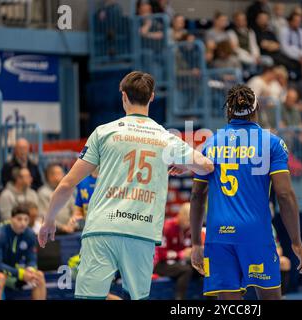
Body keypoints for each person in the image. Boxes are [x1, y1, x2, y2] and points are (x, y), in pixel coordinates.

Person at [37, 71, 214, 300]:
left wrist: (49, 220)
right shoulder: (166, 138)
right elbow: (207, 166)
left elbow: (67, 184)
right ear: (151, 97)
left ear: (123, 96)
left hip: (102, 228)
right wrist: (186, 165)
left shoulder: (104, 132)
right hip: (141, 232)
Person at [189, 84, 302, 300]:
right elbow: (285, 195)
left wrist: (197, 243)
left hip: (218, 235)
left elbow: (197, 195)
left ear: (228, 111)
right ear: (257, 110)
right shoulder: (272, 143)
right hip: (255, 233)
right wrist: (296, 241)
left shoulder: (210, 144)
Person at [0, 204, 47, 300]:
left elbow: (32, 259)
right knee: (0, 277)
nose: (23, 223)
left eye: (26, 219)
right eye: (19, 219)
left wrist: (30, 269)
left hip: (14, 271)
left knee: (39, 276)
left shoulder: (29, 234)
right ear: (11, 219)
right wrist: (21, 274)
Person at [154, 202, 194, 300]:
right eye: (188, 219)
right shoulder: (167, 227)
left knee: (203, 268)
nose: (189, 223)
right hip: (161, 264)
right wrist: (181, 254)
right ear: (180, 215)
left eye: (192, 220)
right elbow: (161, 254)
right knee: (186, 270)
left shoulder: (190, 229)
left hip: (179, 263)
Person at [38, 164, 75, 234]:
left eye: (62, 173)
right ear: (50, 176)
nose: (63, 175)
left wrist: (71, 224)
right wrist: (62, 227)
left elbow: (75, 210)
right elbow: (44, 216)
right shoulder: (43, 192)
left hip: (71, 229)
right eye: (59, 173)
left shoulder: (67, 190)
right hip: (53, 231)